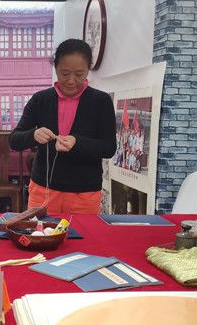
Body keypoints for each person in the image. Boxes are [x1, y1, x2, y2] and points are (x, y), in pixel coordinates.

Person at [9, 38, 117, 214]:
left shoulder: (101, 101)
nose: (72, 81)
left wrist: (77, 142)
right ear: (55, 68)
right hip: (43, 190)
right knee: (40, 231)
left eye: (79, 74)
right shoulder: (40, 100)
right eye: (65, 73)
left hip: (84, 193)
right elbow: (14, 140)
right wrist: (33, 135)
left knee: (81, 232)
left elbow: (109, 147)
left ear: (88, 70)